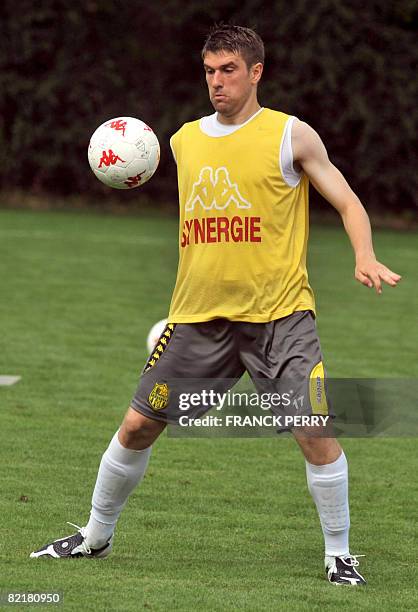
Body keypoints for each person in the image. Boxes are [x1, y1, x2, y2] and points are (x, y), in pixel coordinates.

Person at [30, 25, 401, 585]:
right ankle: (94, 536)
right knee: (136, 426)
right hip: (197, 320)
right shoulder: (181, 141)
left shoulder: (291, 136)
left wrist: (365, 254)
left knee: (315, 432)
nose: (216, 82)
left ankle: (339, 553)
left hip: (280, 319)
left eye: (228, 69)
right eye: (209, 70)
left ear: (256, 72)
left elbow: (347, 200)